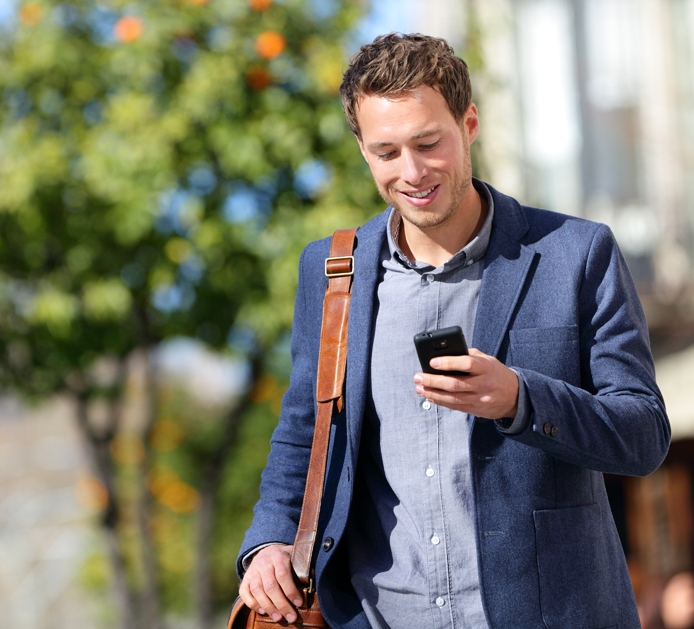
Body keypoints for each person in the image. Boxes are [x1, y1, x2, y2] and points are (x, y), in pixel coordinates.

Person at [236, 33, 670, 629]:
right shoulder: (333, 270)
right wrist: (268, 542)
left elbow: (643, 434)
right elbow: (306, 430)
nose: (411, 172)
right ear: (362, 149)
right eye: (386, 152)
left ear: (468, 124)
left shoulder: (577, 252)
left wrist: (520, 399)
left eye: (428, 143)